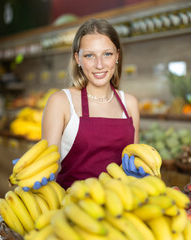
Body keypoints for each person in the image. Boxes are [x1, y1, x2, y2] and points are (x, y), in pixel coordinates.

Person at [38, 18, 146, 190]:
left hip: (120, 208)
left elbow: (134, 158)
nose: (99, 65)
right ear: (78, 59)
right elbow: (46, 166)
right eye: (89, 55)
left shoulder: (130, 104)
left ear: (117, 56)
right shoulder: (60, 102)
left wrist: (139, 175)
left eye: (107, 54)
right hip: (72, 209)